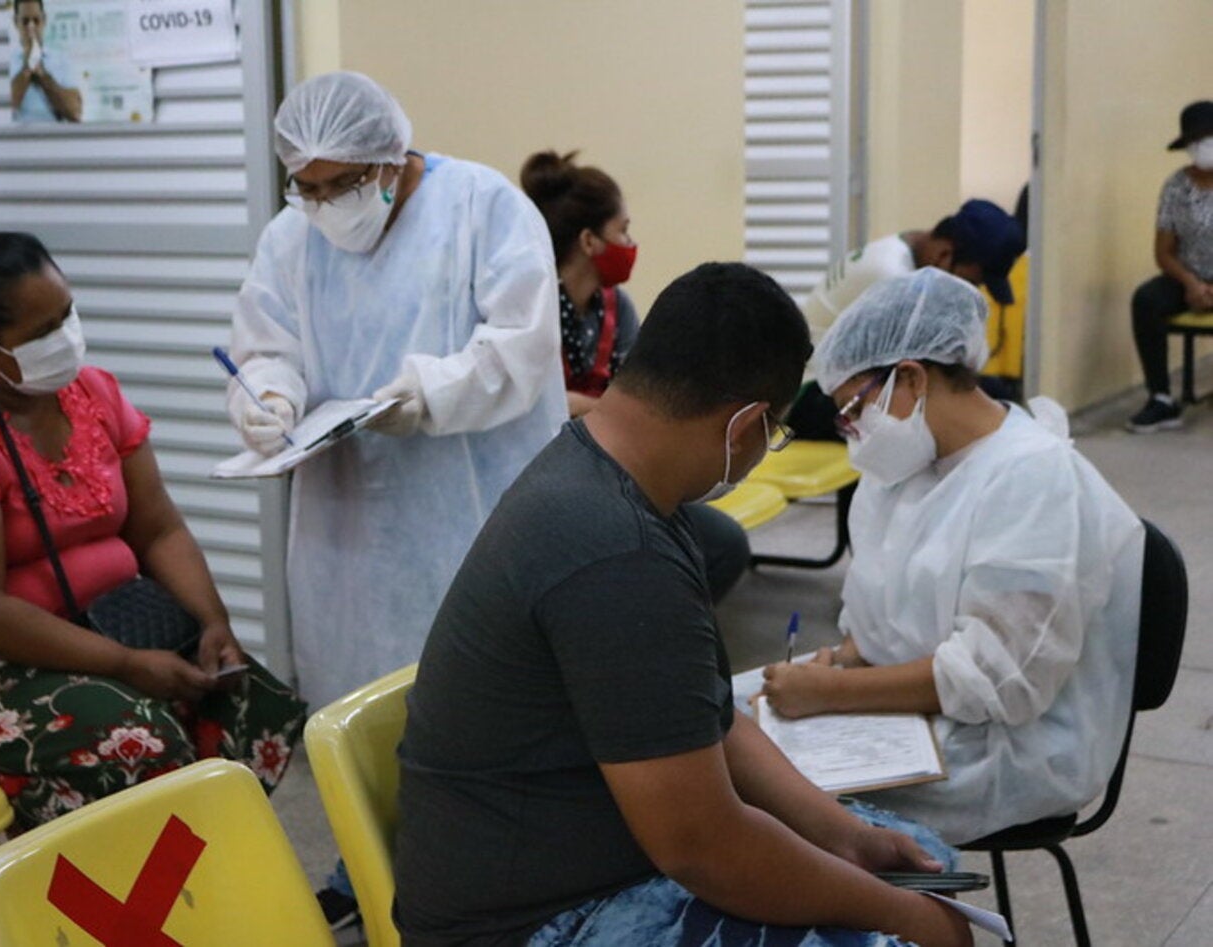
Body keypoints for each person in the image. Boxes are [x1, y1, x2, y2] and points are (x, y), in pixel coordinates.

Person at [394, 263, 974, 947]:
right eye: (776, 433)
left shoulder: (606, 474)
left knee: (916, 861)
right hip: (530, 923)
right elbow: (704, 847)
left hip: (573, 867)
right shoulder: (615, 549)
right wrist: (904, 919)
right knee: (907, 932)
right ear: (748, 426)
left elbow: (705, 718)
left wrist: (847, 836)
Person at [0, 233, 305, 829]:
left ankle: (194, 877)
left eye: (67, 315)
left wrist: (213, 624)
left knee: (249, 698)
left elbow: (159, 530)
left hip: (105, 628)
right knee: (141, 738)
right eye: (42, 332)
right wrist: (125, 663)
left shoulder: (94, 393)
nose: (66, 338)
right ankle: (121, 901)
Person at [761, 267, 1142, 846]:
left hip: (1010, 748)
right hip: (923, 717)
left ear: (910, 378)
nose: (851, 431)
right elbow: (888, 615)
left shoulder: (1032, 478)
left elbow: (998, 682)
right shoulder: (902, 471)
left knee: (763, 793)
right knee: (738, 745)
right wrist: (842, 661)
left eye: (854, 409)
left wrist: (830, 694)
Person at [227, 72, 567, 711]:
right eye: (309, 187)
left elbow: (522, 343)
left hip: (472, 506)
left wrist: (429, 394)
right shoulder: (292, 236)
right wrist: (267, 398)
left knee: (484, 694)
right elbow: (267, 345)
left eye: (344, 184)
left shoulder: (481, 207)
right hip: (344, 527)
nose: (326, 202)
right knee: (358, 706)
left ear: (390, 157)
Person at [520, 149, 751, 602]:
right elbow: (536, 406)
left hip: (614, 470)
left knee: (721, 545)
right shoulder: (531, 305)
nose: (630, 242)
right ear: (589, 241)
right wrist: (590, 406)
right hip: (545, 480)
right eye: (622, 230)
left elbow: (642, 395)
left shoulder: (615, 306)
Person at [787, 199, 1025, 439]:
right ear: (944, 254)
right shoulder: (893, 275)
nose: (970, 289)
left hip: (837, 382)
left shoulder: (906, 248)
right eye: (972, 282)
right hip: (814, 395)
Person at [1126, 99, 1213, 433]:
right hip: (1188, 276)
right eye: (1196, 140)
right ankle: (1162, 399)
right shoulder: (1176, 186)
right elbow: (1164, 252)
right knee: (1146, 299)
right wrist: (1191, 283)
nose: (1202, 146)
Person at [10, 0, 82, 123]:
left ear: (44, 20)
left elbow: (74, 113)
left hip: (56, 139)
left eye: (36, 20)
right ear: (16, 22)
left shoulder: (62, 60)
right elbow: (0, 110)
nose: (31, 27)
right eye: (25, 21)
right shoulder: (8, 62)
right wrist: (26, 69)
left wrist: (42, 74)